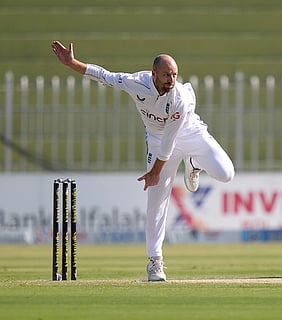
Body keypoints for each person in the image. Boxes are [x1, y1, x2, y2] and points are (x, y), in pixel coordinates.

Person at [51, 41, 235, 281]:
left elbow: (171, 141)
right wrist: (73, 63)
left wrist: (155, 171)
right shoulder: (136, 83)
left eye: (175, 75)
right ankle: (155, 261)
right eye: (167, 74)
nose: (171, 79)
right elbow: (105, 76)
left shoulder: (179, 99)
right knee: (156, 201)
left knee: (226, 173)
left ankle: (194, 163)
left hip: (189, 133)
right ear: (154, 74)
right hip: (157, 139)